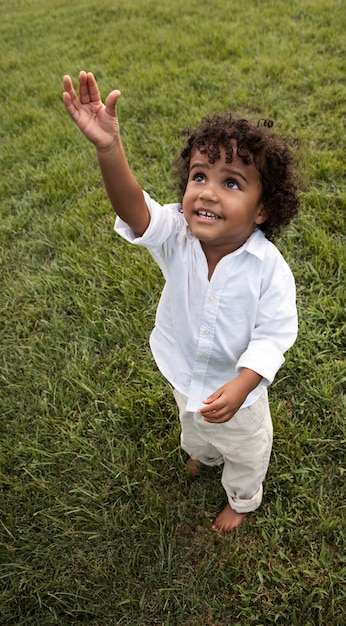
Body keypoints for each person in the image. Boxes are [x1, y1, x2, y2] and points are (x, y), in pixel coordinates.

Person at [63, 71, 300, 532]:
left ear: (262, 208)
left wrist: (242, 385)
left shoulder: (269, 270)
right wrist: (109, 149)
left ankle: (243, 498)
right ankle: (205, 455)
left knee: (246, 451)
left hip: (240, 394)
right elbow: (135, 209)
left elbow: (273, 336)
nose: (208, 191)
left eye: (232, 183)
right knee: (195, 431)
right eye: (199, 176)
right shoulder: (178, 234)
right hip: (184, 372)